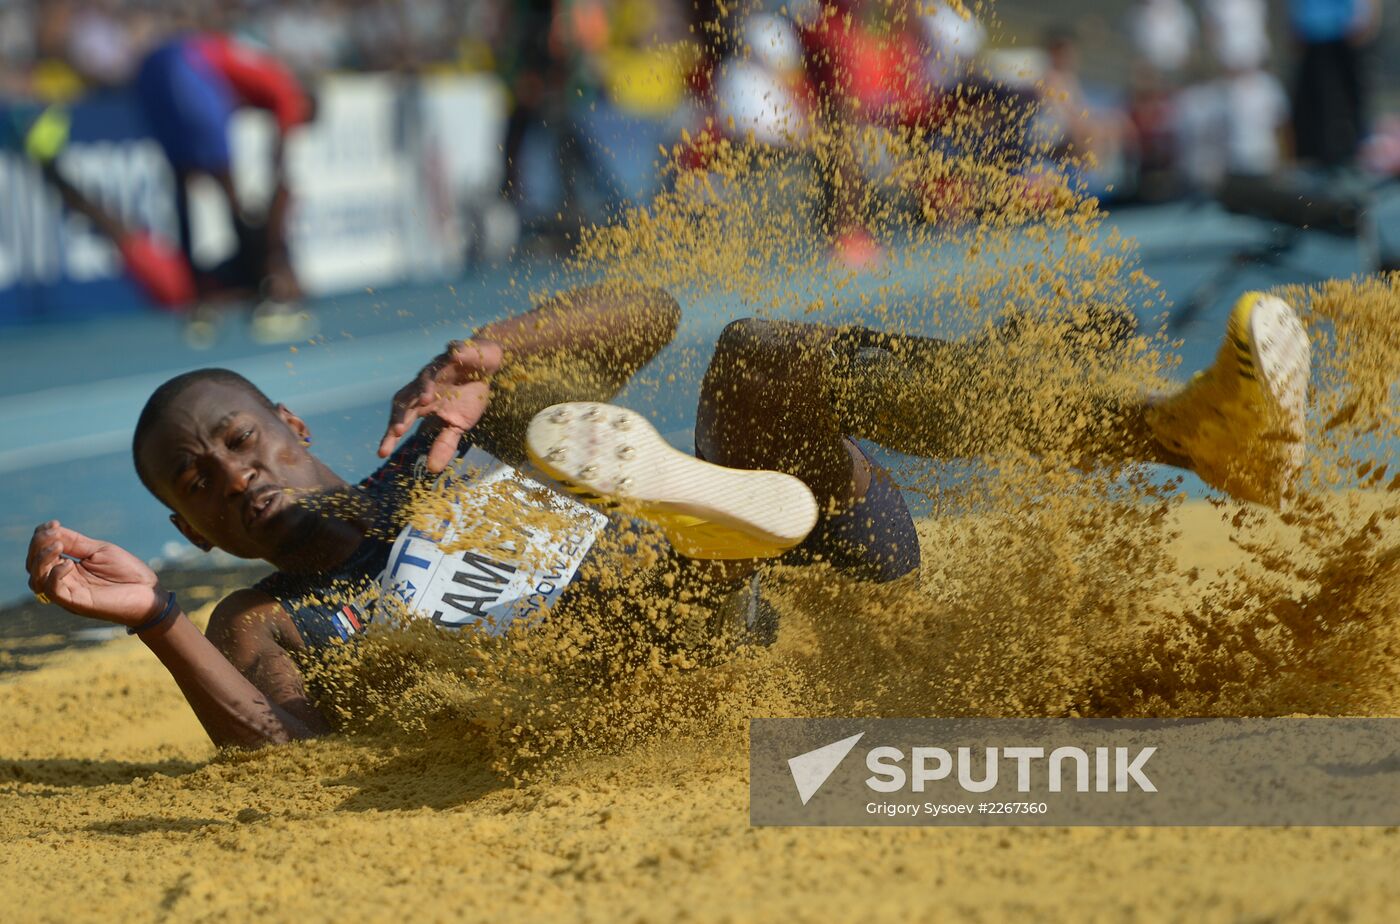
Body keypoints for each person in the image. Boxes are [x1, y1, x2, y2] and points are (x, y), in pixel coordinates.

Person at [25, 283, 1310, 749]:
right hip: (666, 662)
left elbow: (647, 312)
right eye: (193, 484)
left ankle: (1182, 432)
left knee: (755, 351)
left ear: (290, 426)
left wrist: (492, 349)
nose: (228, 475)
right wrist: (156, 621)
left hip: (826, 569)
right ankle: (697, 528)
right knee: (602, 597)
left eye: (235, 440)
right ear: (196, 533)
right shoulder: (262, 621)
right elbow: (282, 750)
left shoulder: (445, 431)